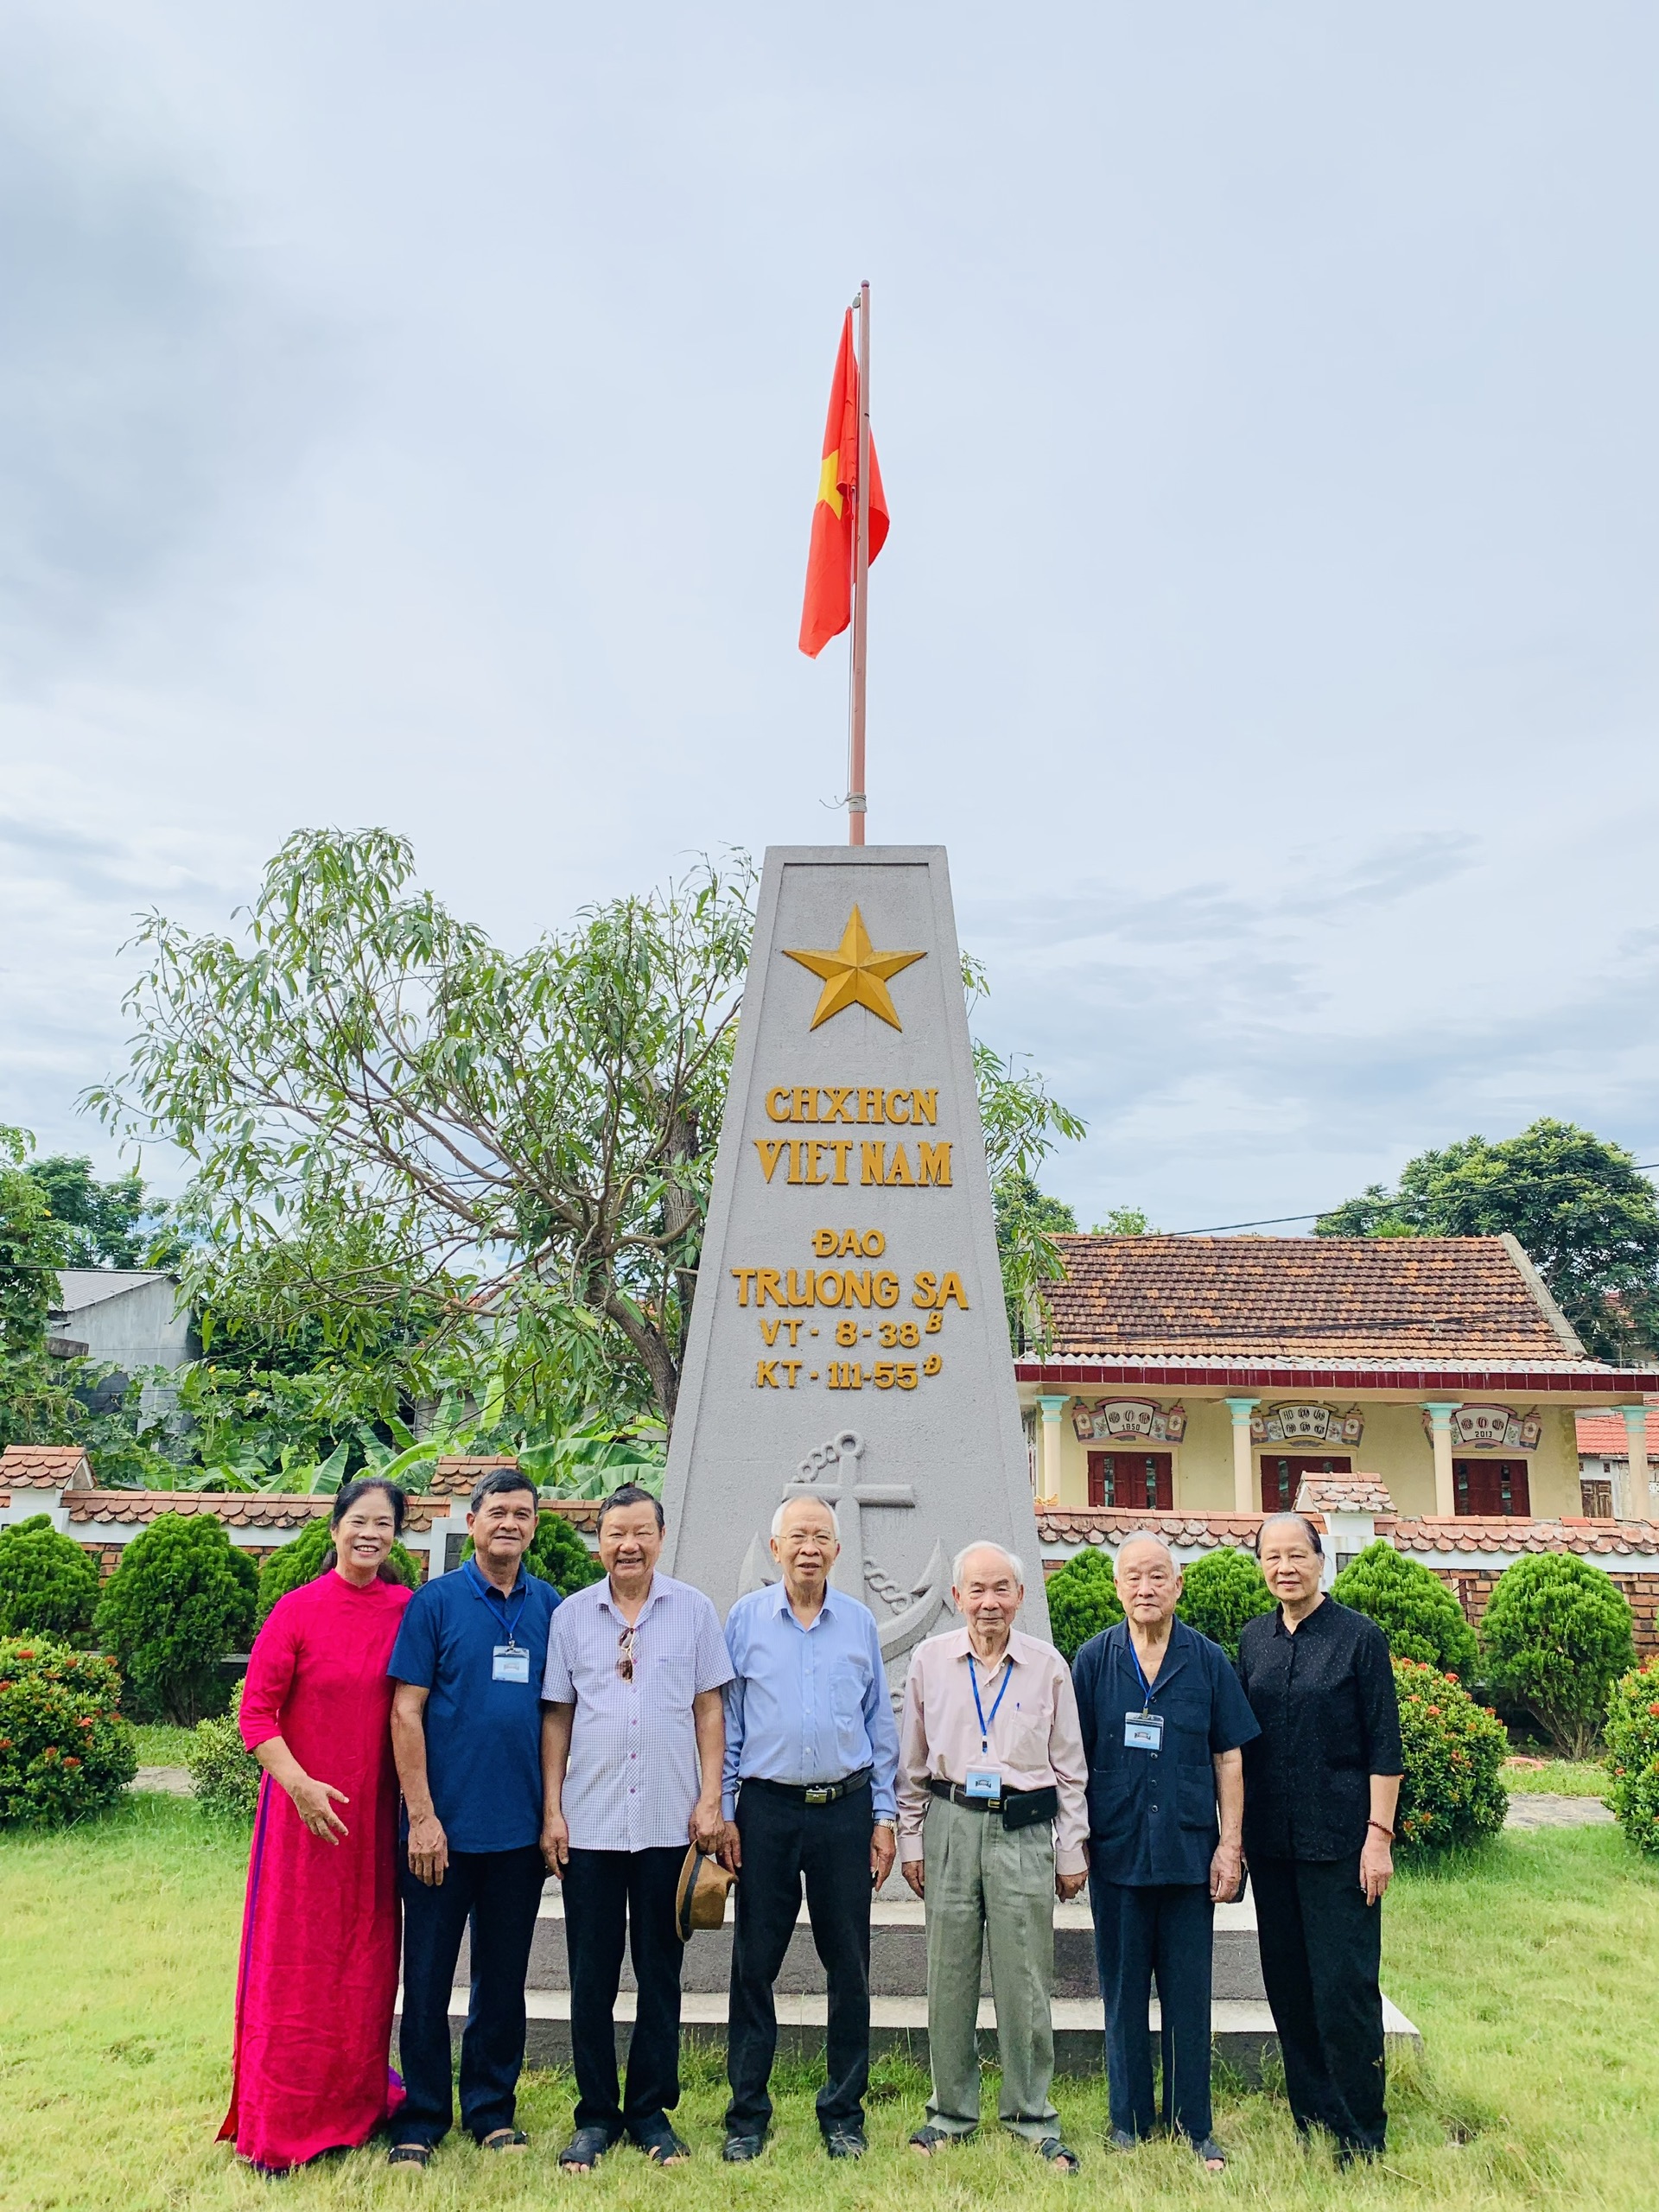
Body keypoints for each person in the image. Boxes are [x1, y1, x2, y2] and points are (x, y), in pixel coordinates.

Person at [219, 1478, 414, 2174]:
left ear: (397, 1536)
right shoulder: (296, 1610)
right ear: (335, 1528)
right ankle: (285, 2117)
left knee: (363, 1964)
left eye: (383, 1524)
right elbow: (257, 1716)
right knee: (295, 1966)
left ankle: (354, 2107)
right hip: (304, 1823)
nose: (370, 1534)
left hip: (373, 1823)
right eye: (359, 1521)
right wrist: (299, 1786)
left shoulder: (406, 1610)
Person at [540, 1484, 733, 2172]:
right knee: (590, 1977)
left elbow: (710, 1710)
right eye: (616, 1533)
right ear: (600, 1540)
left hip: (667, 1825)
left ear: (659, 1536)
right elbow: (557, 1716)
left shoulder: (694, 1612)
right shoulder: (569, 1617)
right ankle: (595, 2115)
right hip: (589, 1826)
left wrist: (712, 1799)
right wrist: (552, 1810)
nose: (629, 1545)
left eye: (641, 1532)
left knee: (661, 1974)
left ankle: (650, 2111)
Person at [717, 1492, 901, 2163]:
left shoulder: (858, 1623)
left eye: (820, 1537)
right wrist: (729, 1807)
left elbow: (880, 1726)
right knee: (753, 1965)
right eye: (797, 1536)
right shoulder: (744, 1621)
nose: (808, 1548)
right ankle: (747, 2116)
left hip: (845, 1812)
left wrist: (885, 1818)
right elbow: (730, 1721)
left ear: (837, 1551)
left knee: (849, 1966)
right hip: (764, 1813)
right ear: (776, 1549)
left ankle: (844, 2113)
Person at [385, 1467, 561, 2168]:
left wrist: (552, 1813)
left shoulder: (551, 1607)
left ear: (534, 1527)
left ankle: (491, 2108)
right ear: (474, 1519)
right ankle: (423, 2117)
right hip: (441, 1835)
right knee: (425, 1980)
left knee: (502, 1980)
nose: (509, 1524)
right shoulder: (434, 1603)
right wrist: (422, 1817)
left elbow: (558, 1715)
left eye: (521, 1514)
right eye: (497, 1512)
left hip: (517, 1835)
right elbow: (406, 1710)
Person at [1071, 1535, 1260, 2171]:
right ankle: (1127, 2120)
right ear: (1117, 1587)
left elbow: (1229, 1756)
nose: (1145, 1588)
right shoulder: (1094, 1661)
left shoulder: (1206, 1661)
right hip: (1118, 1854)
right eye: (1134, 1578)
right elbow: (1072, 1762)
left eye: (1158, 1577)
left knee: (1188, 1994)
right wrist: (1073, 1843)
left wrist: (1229, 1846)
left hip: (1188, 1854)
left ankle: (1193, 2123)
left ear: (1178, 1585)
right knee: (1122, 1993)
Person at [898, 1541, 1089, 2171]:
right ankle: (949, 2112)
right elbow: (913, 1766)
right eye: (976, 1590)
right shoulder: (929, 1661)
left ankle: (1030, 2115)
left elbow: (1069, 1770)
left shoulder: (1046, 1665)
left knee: (1025, 1977)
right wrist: (912, 1838)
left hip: (1024, 1829)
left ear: (1020, 1596)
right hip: (951, 1824)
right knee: (948, 1976)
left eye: (1001, 1589)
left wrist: (1069, 1851)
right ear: (957, 1598)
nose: (989, 1602)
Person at [1235, 1511, 1404, 2165]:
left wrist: (1378, 1836)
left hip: (1341, 1845)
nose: (1284, 1567)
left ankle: (1362, 2129)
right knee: (1289, 1984)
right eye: (1272, 1557)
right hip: (1273, 1845)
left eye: (1296, 1555)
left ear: (1320, 1559)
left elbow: (1384, 1745)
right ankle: (1313, 2113)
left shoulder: (1360, 1637)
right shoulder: (1254, 1640)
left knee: (1344, 1987)